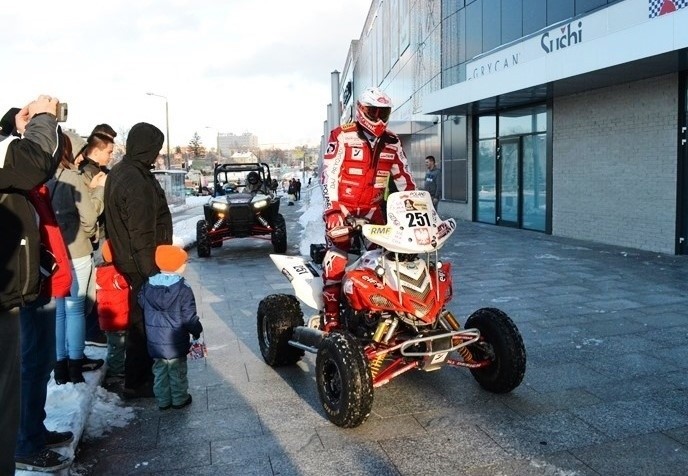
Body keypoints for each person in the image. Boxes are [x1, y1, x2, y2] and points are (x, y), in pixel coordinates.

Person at [0, 96, 65, 473]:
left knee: (34, 365)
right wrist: (42, 118)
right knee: (22, 374)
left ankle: (31, 434)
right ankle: (27, 441)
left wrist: (10, 124)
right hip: (11, 290)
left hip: (23, 284)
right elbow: (33, 165)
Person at [320, 86, 416, 329]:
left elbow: (404, 178)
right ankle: (331, 316)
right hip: (342, 211)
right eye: (373, 111)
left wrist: (415, 208)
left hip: (373, 212)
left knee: (388, 259)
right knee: (337, 259)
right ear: (361, 110)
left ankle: (385, 310)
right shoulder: (341, 134)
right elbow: (329, 174)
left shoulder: (392, 141)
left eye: (383, 112)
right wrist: (332, 210)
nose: (378, 117)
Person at [104, 122, 173, 399]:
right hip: (141, 264)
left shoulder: (124, 171)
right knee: (144, 323)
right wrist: (153, 273)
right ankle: (139, 381)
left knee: (140, 319)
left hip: (131, 260)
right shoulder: (136, 180)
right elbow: (141, 233)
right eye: (155, 149)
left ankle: (138, 378)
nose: (157, 155)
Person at [49, 133, 106, 384]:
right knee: (75, 310)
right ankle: (75, 364)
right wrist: (99, 191)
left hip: (54, 254)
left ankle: (60, 366)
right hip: (77, 251)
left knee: (60, 311)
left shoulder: (46, 178)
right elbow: (90, 217)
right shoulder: (73, 177)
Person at [139, 245, 202, 411]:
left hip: (155, 341)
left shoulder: (147, 286)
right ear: (176, 265)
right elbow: (189, 316)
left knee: (159, 371)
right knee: (177, 372)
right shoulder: (183, 288)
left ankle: (163, 401)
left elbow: (141, 302)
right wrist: (197, 329)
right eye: (184, 262)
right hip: (176, 341)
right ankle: (180, 399)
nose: (186, 265)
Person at [95, 240, 129, 379]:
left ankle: (116, 366)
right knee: (118, 346)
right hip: (118, 318)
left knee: (113, 345)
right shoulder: (116, 274)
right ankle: (116, 369)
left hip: (107, 319)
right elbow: (124, 282)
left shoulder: (100, 272)